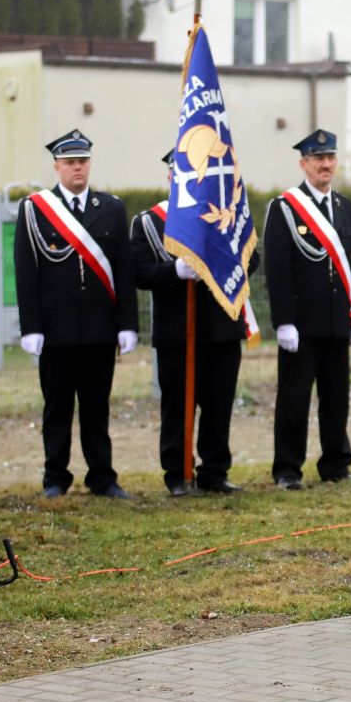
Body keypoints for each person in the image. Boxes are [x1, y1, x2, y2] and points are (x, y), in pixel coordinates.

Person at [15, 129, 139, 500]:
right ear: (57, 167)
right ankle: (56, 477)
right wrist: (31, 327)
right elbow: (26, 271)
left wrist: (128, 324)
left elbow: (124, 271)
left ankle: (102, 477)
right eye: (70, 162)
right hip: (56, 330)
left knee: (97, 407)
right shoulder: (36, 210)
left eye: (83, 161)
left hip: (101, 329)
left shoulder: (112, 209)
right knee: (57, 408)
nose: (78, 169)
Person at [132, 150, 252, 496]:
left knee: (219, 404)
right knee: (177, 406)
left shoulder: (227, 215)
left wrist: (219, 263)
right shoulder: (149, 222)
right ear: (170, 177)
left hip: (221, 329)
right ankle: (177, 473)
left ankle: (214, 471)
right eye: (180, 173)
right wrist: (174, 271)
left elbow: (252, 257)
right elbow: (138, 272)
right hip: (176, 332)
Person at [263, 129, 351, 489]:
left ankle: (336, 463)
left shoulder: (345, 208)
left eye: (330, 158)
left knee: (337, 398)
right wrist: (283, 323)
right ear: (303, 164)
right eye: (317, 159)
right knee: (294, 400)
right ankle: (287, 469)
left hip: (339, 321)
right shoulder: (285, 209)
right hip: (301, 325)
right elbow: (277, 270)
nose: (325, 164)